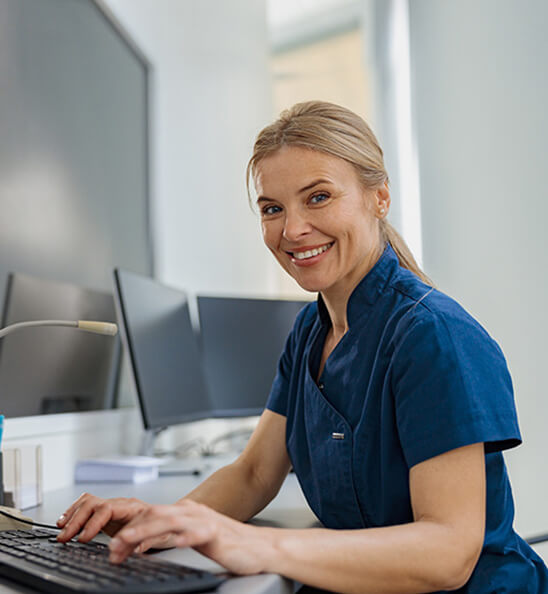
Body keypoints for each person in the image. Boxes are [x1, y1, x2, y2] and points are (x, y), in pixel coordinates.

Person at [57, 101, 548, 593]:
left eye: (318, 197)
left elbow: (449, 554)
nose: (291, 231)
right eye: (273, 209)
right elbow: (253, 473)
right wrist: (164, 520)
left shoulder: (434, 336)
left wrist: (259, 546)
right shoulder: (309, 333)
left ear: (379, 198)